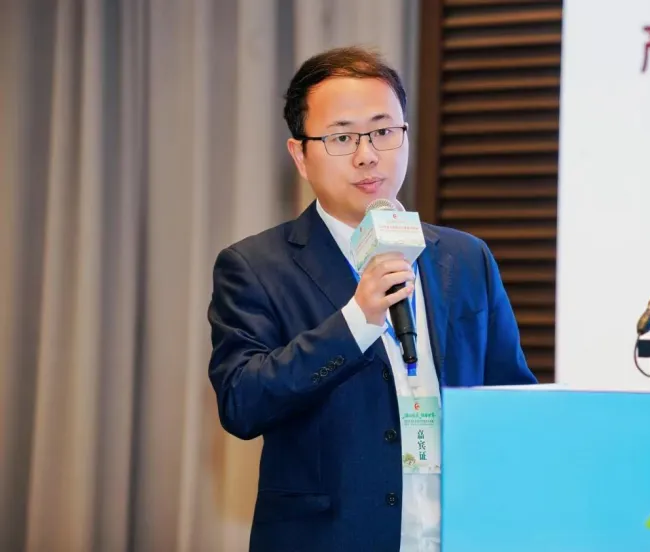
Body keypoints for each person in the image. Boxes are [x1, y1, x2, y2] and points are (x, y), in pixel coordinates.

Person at [207, 46, 537, 552]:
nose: (367, 155)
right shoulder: (255, 266)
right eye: (342, 137)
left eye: (383, 131)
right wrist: (357, 320)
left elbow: (509, 400)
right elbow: (242, 403)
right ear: (300, 154)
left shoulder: (466, 257)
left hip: (456, 534)